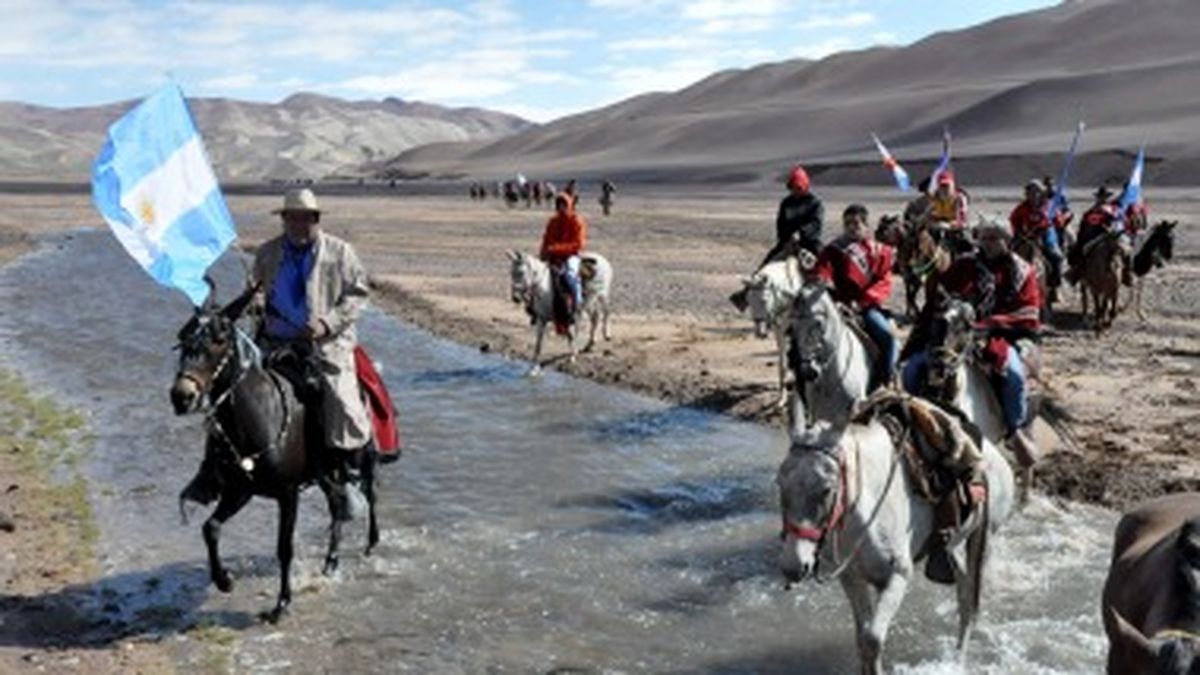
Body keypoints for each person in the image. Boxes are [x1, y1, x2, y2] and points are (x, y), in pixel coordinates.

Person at [254, 188, 373, 520]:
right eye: (292, 217)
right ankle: (223, 471)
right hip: (275, 344)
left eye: (305, 218)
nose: (298, 223)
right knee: (236, 391)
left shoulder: (340, 252)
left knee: (341, 399)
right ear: (284, 219)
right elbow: (256, 291)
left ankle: (347, 475)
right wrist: (256, 303)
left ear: (315, 219)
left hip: (325, 345)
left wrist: (326, 323)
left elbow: (358, 294)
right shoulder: (267, 253)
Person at [902, 217, 1041, 468]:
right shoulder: (965, 264)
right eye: (984, 237)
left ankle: (1014, 429)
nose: (986, 243)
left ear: (1006, 241)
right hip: (957, 334)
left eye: (993, 238)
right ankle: (909, 418)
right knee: (913, 367)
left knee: (1013, 375)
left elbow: (1028, 311)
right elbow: (941, 295)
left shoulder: (1022, 271)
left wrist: (987, 323)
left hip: (999, 335)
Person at [810, 204, 898, 390]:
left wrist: (862, 302)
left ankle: (885, 381)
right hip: (838, 305)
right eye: (847, 223)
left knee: (888, 338)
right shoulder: (834, 249)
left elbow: (884, 280)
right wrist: (820, 280)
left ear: (866, 225)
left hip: (868, 307)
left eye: (856, 223)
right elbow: (822, 270)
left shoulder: (880, 251)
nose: (851, 227)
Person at [1009, 180, 1065, 297]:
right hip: (1026, 235)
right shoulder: (1022, 207)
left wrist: (1053, 222)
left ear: (1041, 193)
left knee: (1056, 256)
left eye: (1036, 192)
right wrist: (1019, 232)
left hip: (1045, 233)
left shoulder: (1048, 206)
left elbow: (1059, 221)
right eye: (1030, 192)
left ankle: (1054, 286)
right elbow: (1013, 220)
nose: (1033, 195)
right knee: (1009, 255)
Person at [540, 194, 588, 333]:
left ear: (569, 205)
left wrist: (556, 249)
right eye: (559, 205)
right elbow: (546, 239)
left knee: (569, 276)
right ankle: (536, 310)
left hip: (571, 256)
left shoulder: (577, 221)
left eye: (564, 205)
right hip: (554, 256)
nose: (561, 208)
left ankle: (577, 303)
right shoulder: (553, 222)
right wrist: (543, 253)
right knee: (538, 278)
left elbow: (579, 244)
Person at [1065, 185, 1120, 285]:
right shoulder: (1091, 212)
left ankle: (1127, 273)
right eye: (1101, 197)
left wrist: (1113, 226)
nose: (1103, 199)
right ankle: (1077, 273)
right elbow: (1085, 226)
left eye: (1105, 197)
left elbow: (1117, 222)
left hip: (1109, 236)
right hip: (1093, 238)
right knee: (1081, 252)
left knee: (1124, 250)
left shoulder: (1113, 210)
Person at [927, 171, 971, 254]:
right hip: (937, 226)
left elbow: (962, 220)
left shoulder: (959, 198)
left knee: (965, 241)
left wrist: (948, 225)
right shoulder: (935, 198)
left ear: (952, 185)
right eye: (942, 186)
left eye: (947, 186)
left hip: (956, 229)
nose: (944, 189)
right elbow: (928, 214)